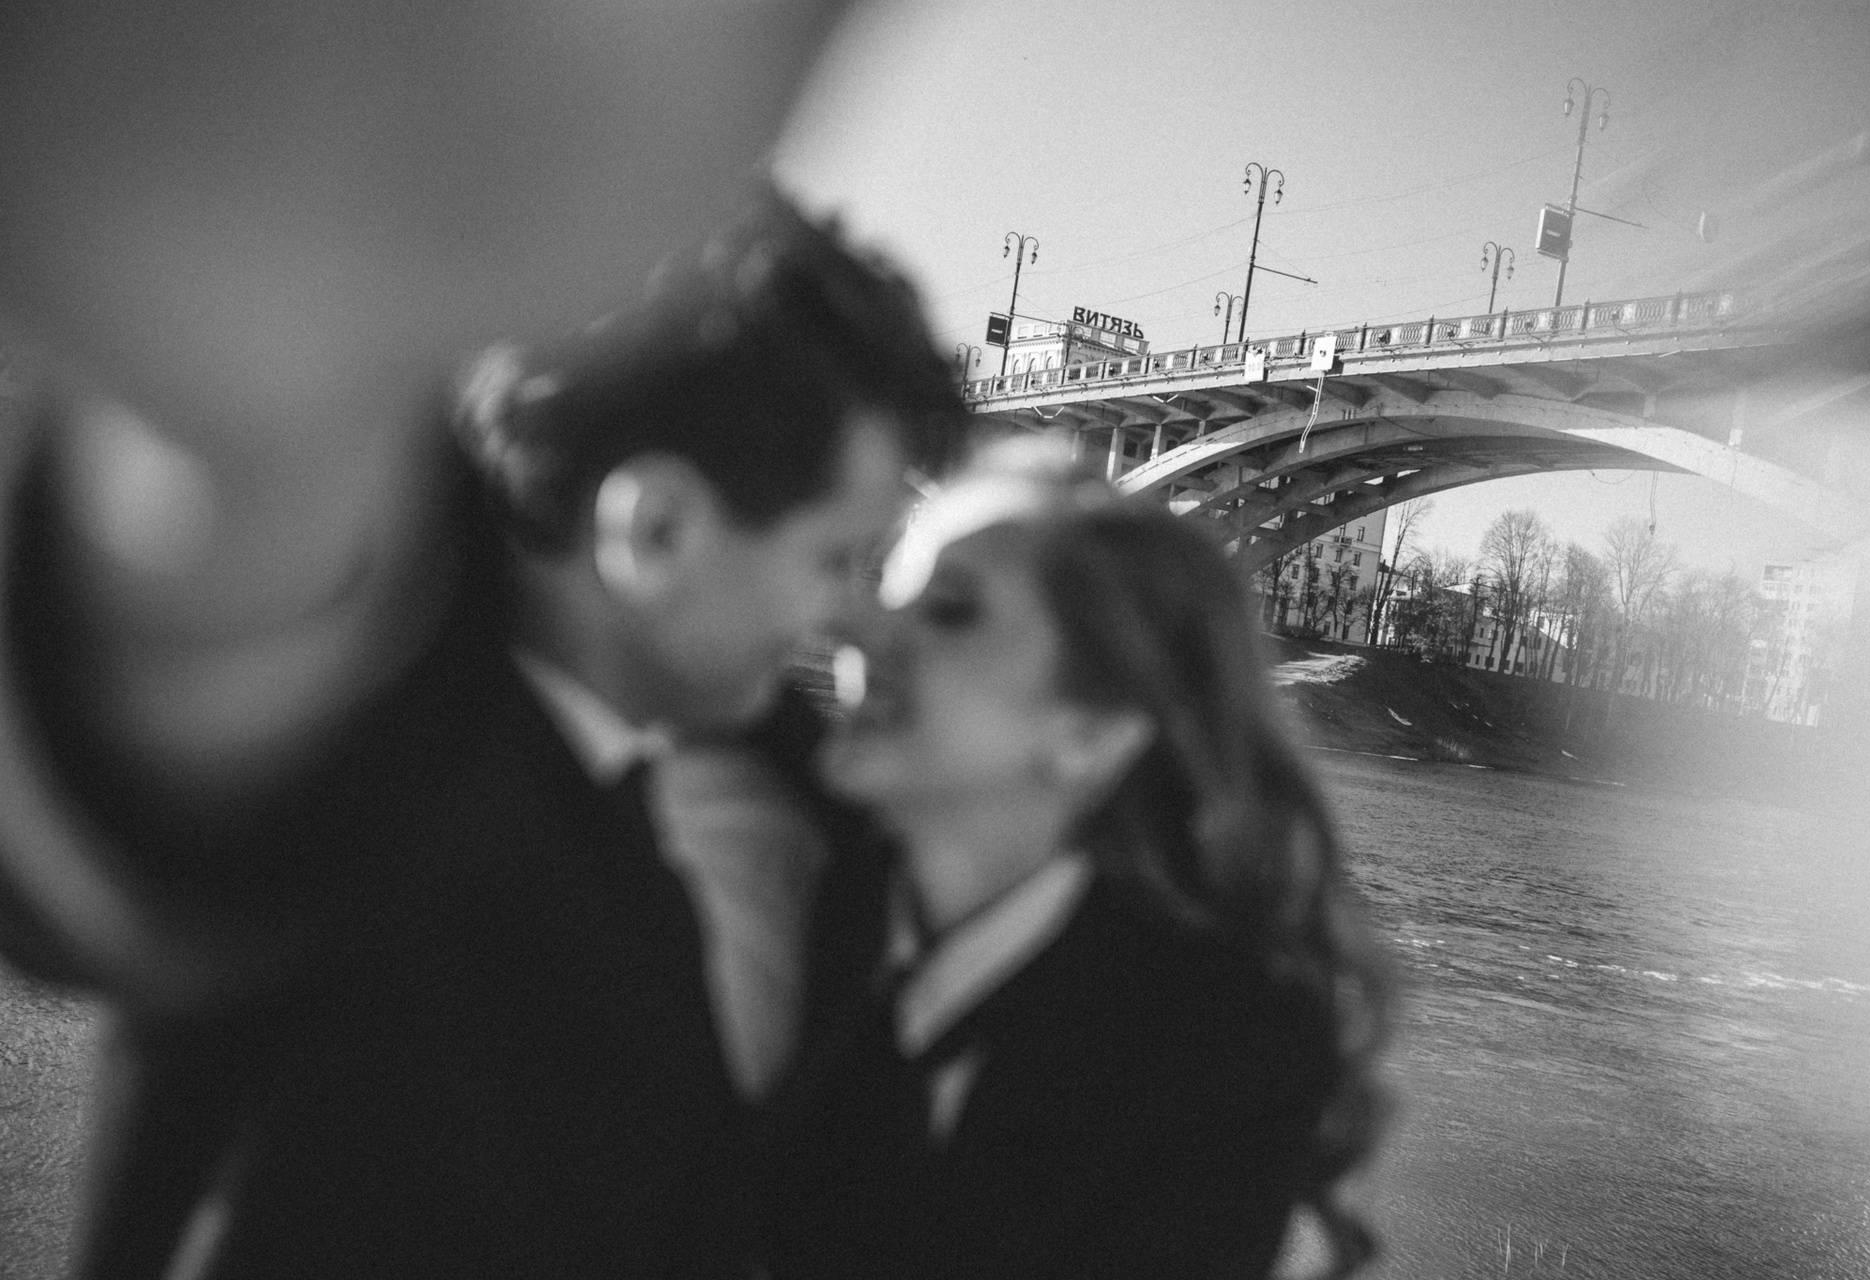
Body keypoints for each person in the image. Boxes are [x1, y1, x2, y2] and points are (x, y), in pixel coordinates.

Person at [0, 191, 962, 1278]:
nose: (854, 617)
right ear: (657, 531)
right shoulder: (331, 752)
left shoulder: (716, 798)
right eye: (835, 560)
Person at [759, 438, 1394, 1280]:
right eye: (887, 591)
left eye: (949, 609)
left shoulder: (1216, 1058)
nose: (856, 630)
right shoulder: (741, 873)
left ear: (1088, 732)